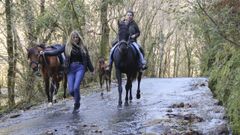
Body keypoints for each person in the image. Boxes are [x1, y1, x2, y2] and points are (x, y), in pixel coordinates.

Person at [40, 30, 94, 113]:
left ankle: (76, 103)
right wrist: (45, 53)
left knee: (76, 87)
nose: (75, 39)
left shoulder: (83, 47)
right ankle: (77, 99)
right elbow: (56, 52)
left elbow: (88, 59)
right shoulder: (66, 46)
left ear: (79, 38)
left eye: (77, 37)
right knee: (71, 90)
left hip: (80, 68)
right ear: (71, 38)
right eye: (74, 37)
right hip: (70, 70)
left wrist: (92, 69)